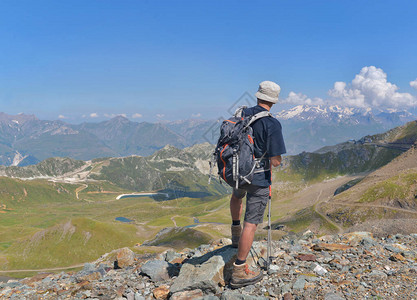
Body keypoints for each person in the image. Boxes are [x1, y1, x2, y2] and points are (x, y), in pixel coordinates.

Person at [230, 80, 286, 288]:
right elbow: (275, 160)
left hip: (237, 171)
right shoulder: (272, 123)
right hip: (259, 178)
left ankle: (235, 235)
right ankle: (239, 269)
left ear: (258, 96)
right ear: (274, 100)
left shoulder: (242, 114)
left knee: (237, 196)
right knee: (251, 223)